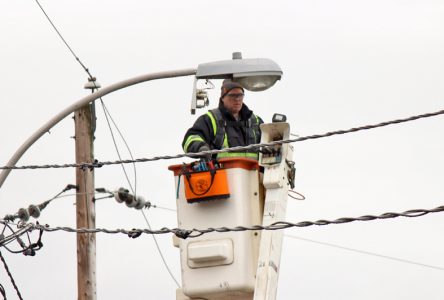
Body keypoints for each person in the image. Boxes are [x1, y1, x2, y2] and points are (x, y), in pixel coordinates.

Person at [182, 79, 264, 159]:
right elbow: (190, 139)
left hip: (254, 172)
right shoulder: (210, 119)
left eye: (240, 95)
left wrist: (271, 147)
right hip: (221, 172)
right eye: (233, 95)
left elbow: (269, 141)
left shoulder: (255, 121)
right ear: (223, 98)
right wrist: (201, 147)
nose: (237, 99)